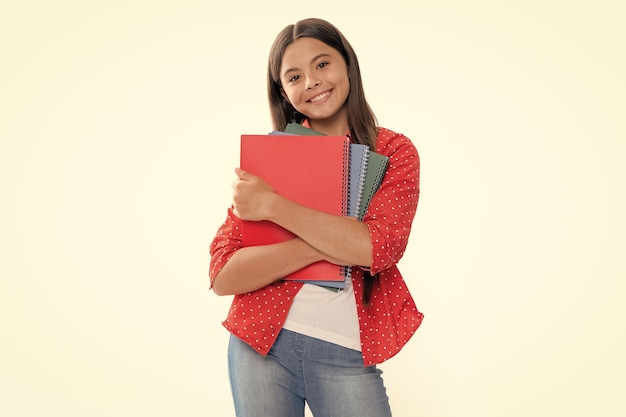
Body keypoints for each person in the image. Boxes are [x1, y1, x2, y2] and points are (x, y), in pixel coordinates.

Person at [209, 17, 423, 417]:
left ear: (347, 65)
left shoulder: (393, 151)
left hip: (345, 353)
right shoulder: (270, 158)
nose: (311, 82)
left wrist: (275, 207)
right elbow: (223, 276)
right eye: (294, 76)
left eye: (322, 64)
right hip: (259, 345)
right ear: (284, 92)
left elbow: (378, 247)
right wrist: (332, 240)